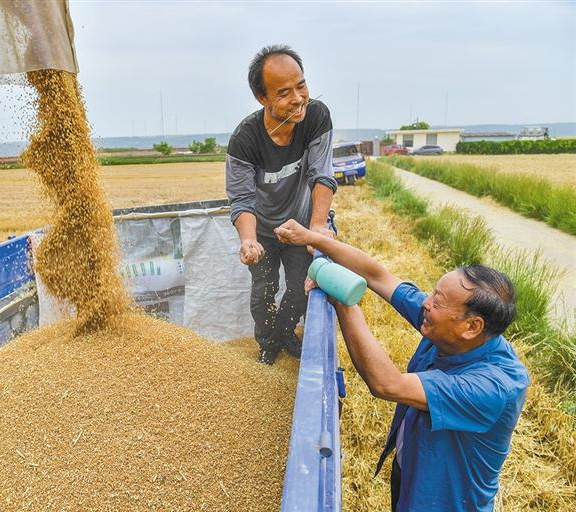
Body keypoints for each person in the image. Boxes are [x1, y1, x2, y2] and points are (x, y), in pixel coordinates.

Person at [274, 219, 529, 512]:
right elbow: (378, 275)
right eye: (433, 292)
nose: (426, 303)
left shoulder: (495, 386)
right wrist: (313, 239)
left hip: (443, 500)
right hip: (414, 471)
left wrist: (343, 299)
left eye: (438, 300)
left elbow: (387, 383)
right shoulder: (450, 330)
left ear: (472, 326)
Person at [226, 44, 337, 365]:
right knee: (264, 289)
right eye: (284, 92)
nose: (298, 98)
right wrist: (248, 239)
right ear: (263, 98)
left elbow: (322, 175)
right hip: (261, 229)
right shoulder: (245, 139)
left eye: (301, 85)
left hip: (301, 225)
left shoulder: (316, 116)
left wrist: (316, 228)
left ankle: (286, 334)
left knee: (301, 287)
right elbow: (242, 197)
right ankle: (267, 344)